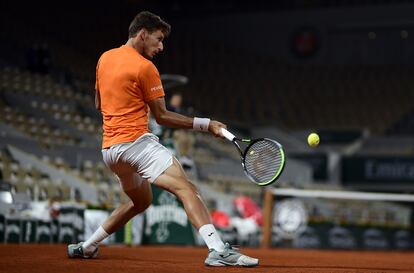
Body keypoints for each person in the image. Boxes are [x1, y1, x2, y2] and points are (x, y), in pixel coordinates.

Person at [67, 11, 258, 267]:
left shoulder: (104, 58)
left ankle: (86, 246)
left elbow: (99, 102)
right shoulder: (145, 67)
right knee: (187, 188)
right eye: (158, 39)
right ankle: (217, 249)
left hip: (110, 152)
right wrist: (206, 124)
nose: (161, 46)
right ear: (142, 34)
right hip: (136, 144)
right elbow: (163, 117)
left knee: (141, 201)